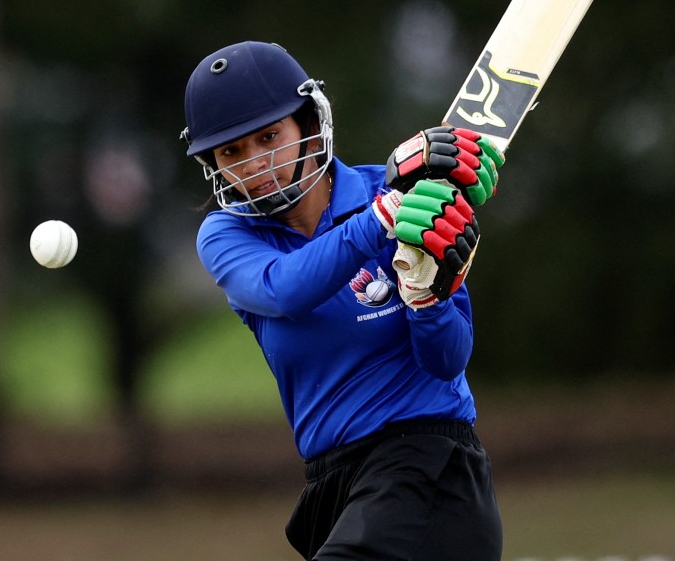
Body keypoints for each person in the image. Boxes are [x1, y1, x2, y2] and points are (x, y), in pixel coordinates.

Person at [181, 40, 504, 560]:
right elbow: (283, 289)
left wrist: (427, 296)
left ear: (310, 125)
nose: (255, 164)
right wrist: (385, 216)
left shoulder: (397, 193)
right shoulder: (228, 235)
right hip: (334, 487)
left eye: (269, 137)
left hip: (430, 468)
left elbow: (448, 360)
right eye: (231, 152)